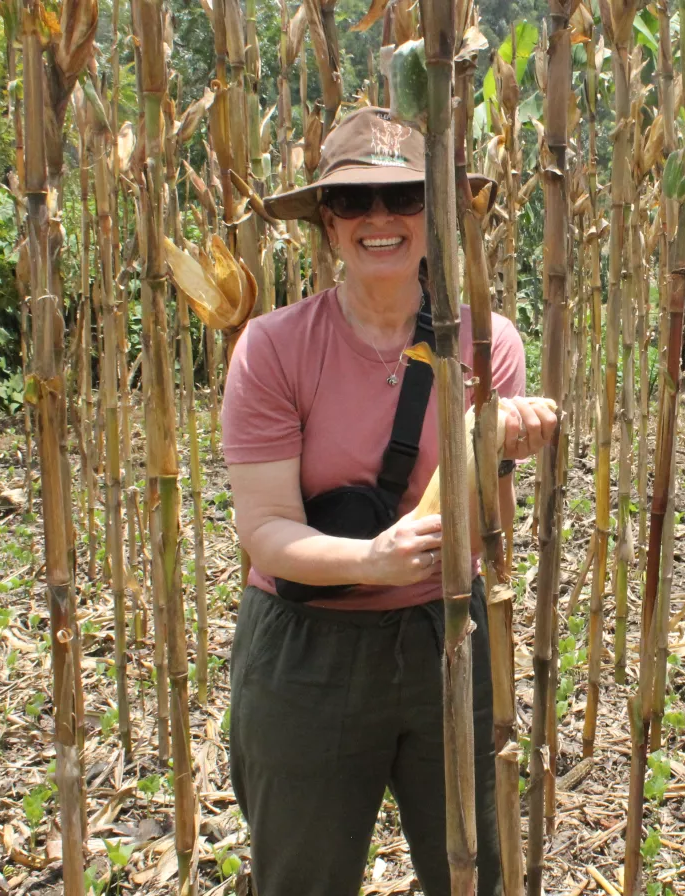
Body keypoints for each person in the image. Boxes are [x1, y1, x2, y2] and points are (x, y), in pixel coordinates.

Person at [221, 107, 556, 896]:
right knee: (301, 875)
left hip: (449, 636)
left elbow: (487, 532)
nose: (380, 219)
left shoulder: (486, 343)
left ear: (435, 214)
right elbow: (264, 529)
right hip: (308, 646)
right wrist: (370, 558)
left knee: (475, 870)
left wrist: (498, 452)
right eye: (353, 203)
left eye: (405, 197)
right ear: (328, 225)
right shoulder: (273, 347)